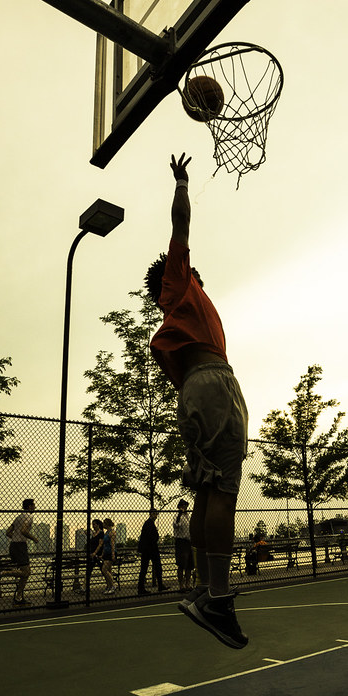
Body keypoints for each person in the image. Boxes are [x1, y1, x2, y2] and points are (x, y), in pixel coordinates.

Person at [145, 153, 249, 649]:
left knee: (207, 492)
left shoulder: (178, 323)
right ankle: (220, 598)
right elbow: (181, 225)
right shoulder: (181, 286)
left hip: (193, 392)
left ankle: (206, 590)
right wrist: (182, 182)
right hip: (213, 384)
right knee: (223, 491)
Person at [0, 498, 37, 604]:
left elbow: (8, 532)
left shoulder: (19, 517)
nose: (35, 507)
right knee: (26, 572)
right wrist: (34, 538)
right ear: (29, 506)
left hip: (13, 545)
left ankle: (18, 597)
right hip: (20, 546)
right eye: (34, 505)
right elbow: (24, 530)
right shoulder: (29, 516)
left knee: (25, 574)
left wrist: (15, 537)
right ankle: (2, 573)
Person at [137, 509, 168, 595]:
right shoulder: (149, 523)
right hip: (151, 549)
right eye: (154, 514)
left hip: (147, 549)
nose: (156, 516)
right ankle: (158, 585)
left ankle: (141, 588)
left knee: (145, 568)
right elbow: (153, 537)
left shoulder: (148, 523)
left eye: (156, 514)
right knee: (157, 567)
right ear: (150, 514)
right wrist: (156, 537)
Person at [173, 499, 193, 592]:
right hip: (181, 541)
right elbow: (176, 525)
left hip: (189, 541)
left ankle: (188, 584)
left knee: (189, 565)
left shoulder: (188, 516)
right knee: (181, 564)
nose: (185, 507)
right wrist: (180, 514)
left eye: (185, 506)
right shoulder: (177, 515)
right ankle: (181, 585)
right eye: (183, 506)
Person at [86, 518, 105, 588]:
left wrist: (95, 553)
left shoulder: (101, 533)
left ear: (98, 525)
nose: (93, 526)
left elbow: (100, 544)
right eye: (92, 524)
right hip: (92, 555)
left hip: (98, 555)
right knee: (88, 571)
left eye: (94, 524)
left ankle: (110, 585)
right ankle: (84, 587)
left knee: (103, 571)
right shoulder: (93, 534)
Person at [101, 518, 118, 594]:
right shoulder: (106, 533)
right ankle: (109, 586)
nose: (103, 525)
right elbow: (104, 545)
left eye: (104, 523)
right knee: (109, 571)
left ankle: (113, 585)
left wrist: (113, 554)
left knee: (104, 570)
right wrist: (102, 554)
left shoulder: (112, 532)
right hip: (106, 553)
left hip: (110, 553)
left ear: (107, 524)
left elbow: (113, 544)